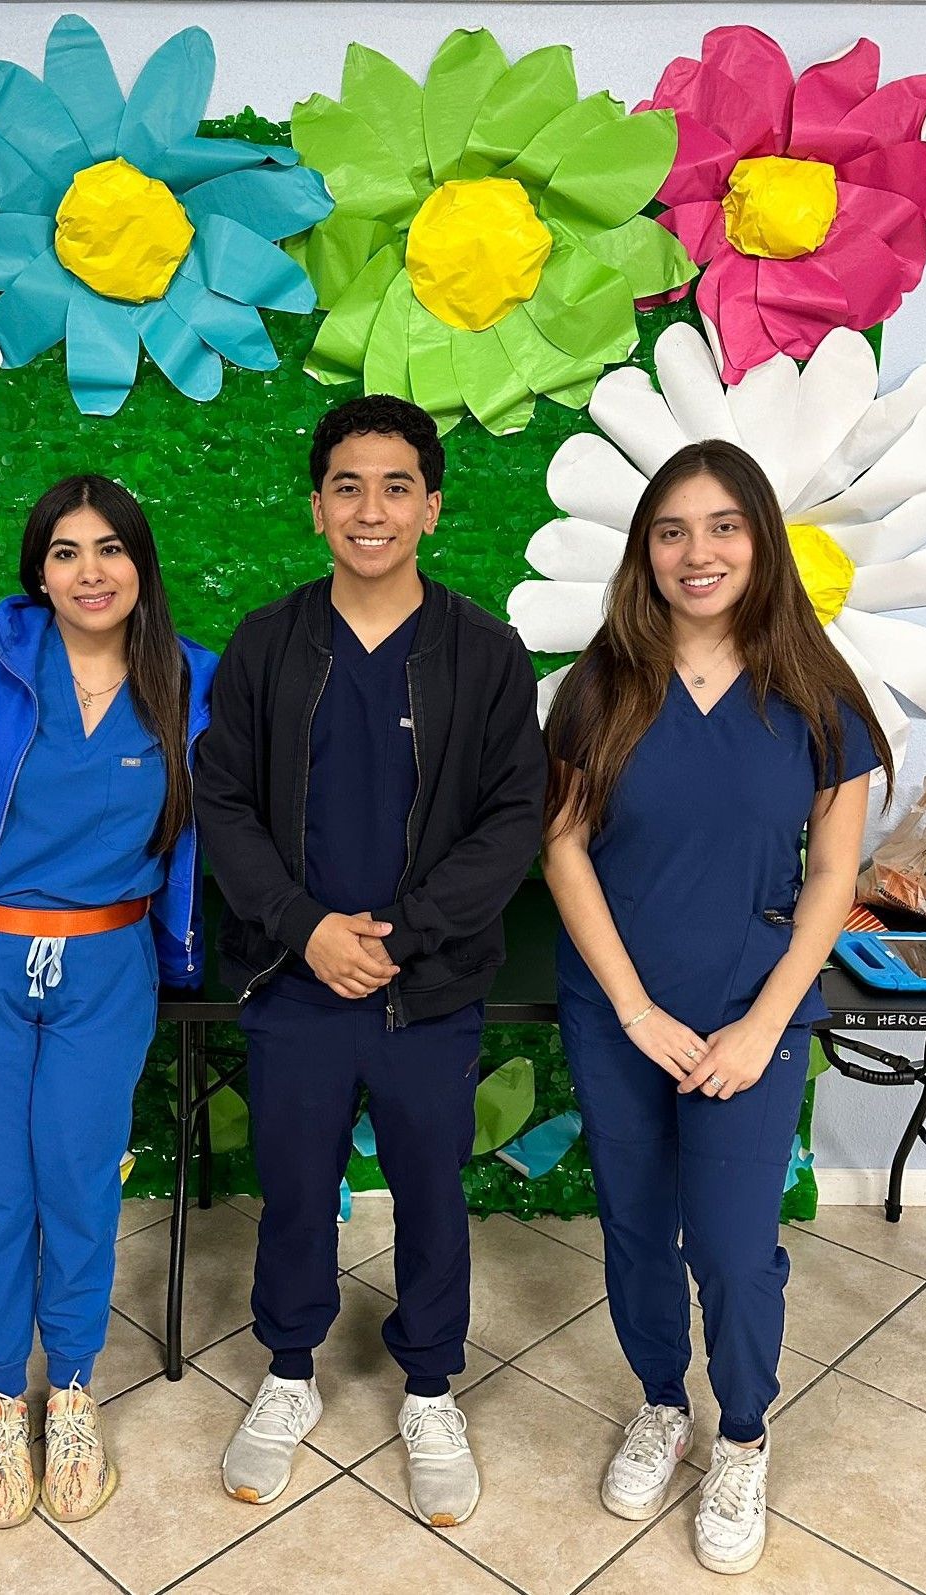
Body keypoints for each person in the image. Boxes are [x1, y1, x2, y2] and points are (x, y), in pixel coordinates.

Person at [193, 394, 545, 1526]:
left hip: (424, 988)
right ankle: (288, 1372)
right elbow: (222, 800)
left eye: (396, 485)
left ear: (431, 508)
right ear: (315, 507)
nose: (371, 507)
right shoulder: (267, 641)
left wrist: (402, 934)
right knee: (294, 1188)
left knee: (431, 1194)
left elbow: (512, 816)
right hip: (295, 983)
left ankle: (430, 1386)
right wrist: (305, 928)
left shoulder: (483, 652)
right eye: (347, 484)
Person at [541, 440, 892, 1575]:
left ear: (759, 540)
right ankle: (659, 1402)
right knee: (638, 1229)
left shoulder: (819, 694)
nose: (697, 552)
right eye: (671, 530)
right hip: (619, 1010)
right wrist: (636, 1009)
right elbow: (560, 847)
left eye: (722, 526)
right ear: (644, 550)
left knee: (737, 1250)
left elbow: (834, 877)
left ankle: (739, 1433)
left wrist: (759, 1023)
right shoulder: (599, 684)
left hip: (753, 1004)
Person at [0, 475, 216, 1530]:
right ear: (39, 569)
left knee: (77, 1180)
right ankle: (0, 1398)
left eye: (110, 548)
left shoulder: (187, 681)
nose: (89, 571)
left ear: (140, 563)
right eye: (66, 551)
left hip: (107, 968)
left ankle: (69, 1390)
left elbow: (241, 816)